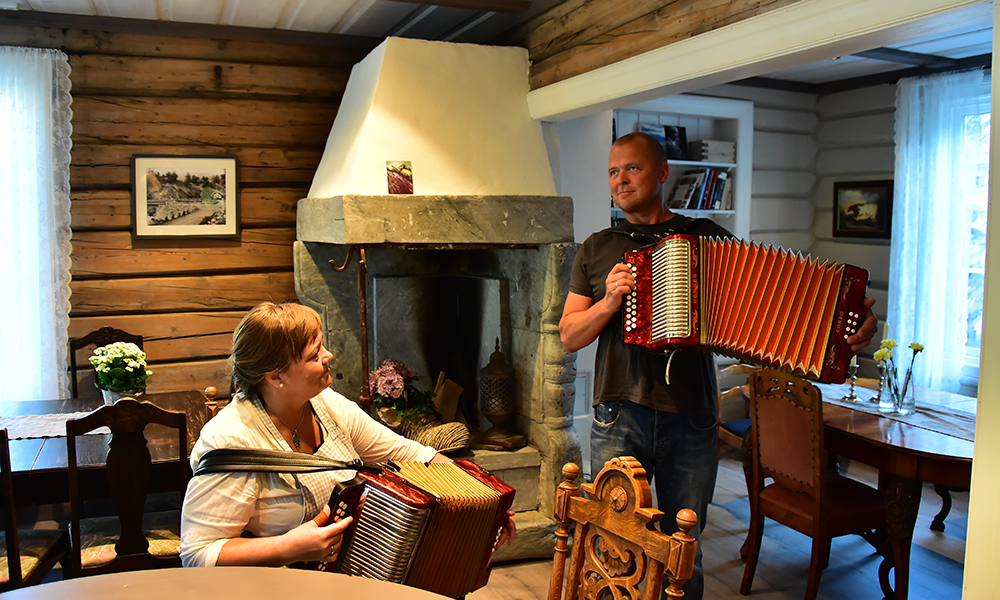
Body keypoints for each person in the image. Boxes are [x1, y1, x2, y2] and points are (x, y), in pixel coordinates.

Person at [558, 132, 877, 599]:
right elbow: (569, 335)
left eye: (633, 168)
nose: (620, 180)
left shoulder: (706, 238)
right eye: (612, 172)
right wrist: (608, 302)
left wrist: (852, 326)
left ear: (662, 173)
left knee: (686, 547)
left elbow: (773, 306)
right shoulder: (597, 246)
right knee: (616, 545)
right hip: (618, 414)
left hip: (692, 417)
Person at [181, 301, 514, 568]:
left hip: (349, 576)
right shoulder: (230, 440)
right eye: (314, 355)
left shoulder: (328, 405)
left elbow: (410, 454)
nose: (329, 357)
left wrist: (487, 500)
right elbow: (197, 555)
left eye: (322, 346)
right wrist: (287, 548)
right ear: (276, 377)